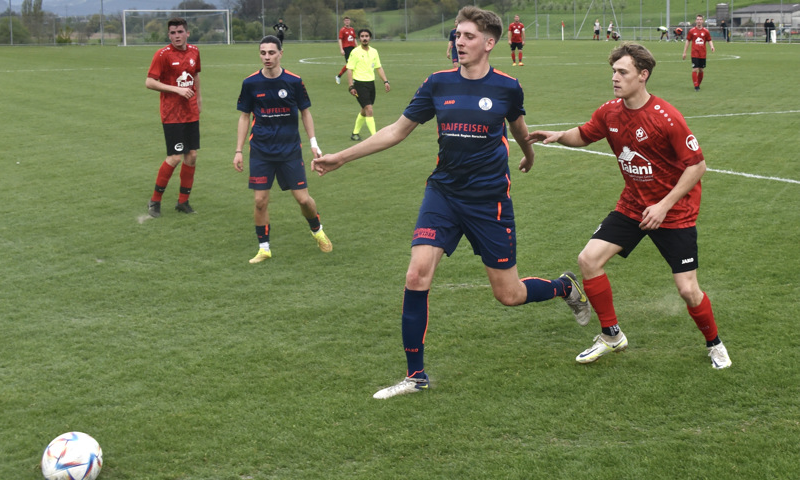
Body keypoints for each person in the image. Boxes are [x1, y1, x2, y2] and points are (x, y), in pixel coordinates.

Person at [313, 6, 591, 400]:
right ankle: (415, 376)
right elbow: (397, 130)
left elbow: (517, 126)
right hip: (442, 194)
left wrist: (529, 154)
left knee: (508, 294)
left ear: (490, 43)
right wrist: (341, 156)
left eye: (468, 36)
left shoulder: (507, 87)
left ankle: (564, 287)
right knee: (416, 275)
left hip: (489, 200)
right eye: (457, 35)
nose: (459, 41)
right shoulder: (437, 83)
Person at [527, 42, 731, 371]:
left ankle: (715, 343)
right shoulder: (610, 112)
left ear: (643, 75)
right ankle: (611, 336)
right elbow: (585, 134)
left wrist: (664, 206)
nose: (615, 78)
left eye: (622, 72)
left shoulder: (666, 117)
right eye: (613, 71)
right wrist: (559, 134)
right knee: (588, 260)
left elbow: (697, 166)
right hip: (634, 206)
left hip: (675, 213)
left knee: (687, 289)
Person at [233, 35, 332, 264]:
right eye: (263, 53)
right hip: (261, 151)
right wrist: (238, 150)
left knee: (303, 200)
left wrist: (314, 144)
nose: (267, 57)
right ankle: (264, 248)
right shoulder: (250, 83)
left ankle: (316, 230)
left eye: (271, 53)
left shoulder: (294, 82)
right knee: (260, 201)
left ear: (280, 53)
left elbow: (305, 112)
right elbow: (244, 116)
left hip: (289, 151)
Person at [145, 17, 202, 218]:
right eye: (173, 33)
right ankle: (154, 201)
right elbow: (149, 82)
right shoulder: (162, 55)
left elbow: (195, 76)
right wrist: (175, 90)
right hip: (172, 114)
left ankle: (183, 202)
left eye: (180, 32)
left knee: (192, 155)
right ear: (169, 35)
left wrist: (199, 100)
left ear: (187, 33)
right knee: (175, 157)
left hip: (191, 112)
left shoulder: (195, 51)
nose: (177, 36)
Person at [346, 29, 390, 141]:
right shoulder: (355, 52)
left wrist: (385, 81)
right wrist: (351, 86)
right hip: (359, 84)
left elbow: (378, 67)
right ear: (359, 38)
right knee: (369, 109)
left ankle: (355, 133)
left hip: (371, 84)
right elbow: (349, 69)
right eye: (362, 36)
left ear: (370, 38)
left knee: (364, 109)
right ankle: (375, 137)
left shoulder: (374, 52)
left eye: (366, 36)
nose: (364, 38)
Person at [682, 14, 714, 91]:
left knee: (701, 70)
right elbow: (687, 41)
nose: (699, 21)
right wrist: (684, 52)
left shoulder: (706, 31)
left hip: (703, 54)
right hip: (694, 53)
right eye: (698, 19)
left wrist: (712, 46)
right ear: (696, 21)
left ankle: (698, 84)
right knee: (695, 69)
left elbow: (709, 40)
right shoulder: (692, 31)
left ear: (702, 21)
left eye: (700, 19)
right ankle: (696, 86)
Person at [335, 16, 357, 84]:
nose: (347, 22)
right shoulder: (342, 30)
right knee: (349, 64)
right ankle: (338, 76)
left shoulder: (352, 29)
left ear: (350, 21)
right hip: (346, 49)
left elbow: (354, 38)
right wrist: (341, 49)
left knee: (354, 63)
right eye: (346, 20)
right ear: (344, 22)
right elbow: (340, 39)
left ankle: (353, 78)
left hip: (353, 48)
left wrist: (358, 47)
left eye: (348, 20)